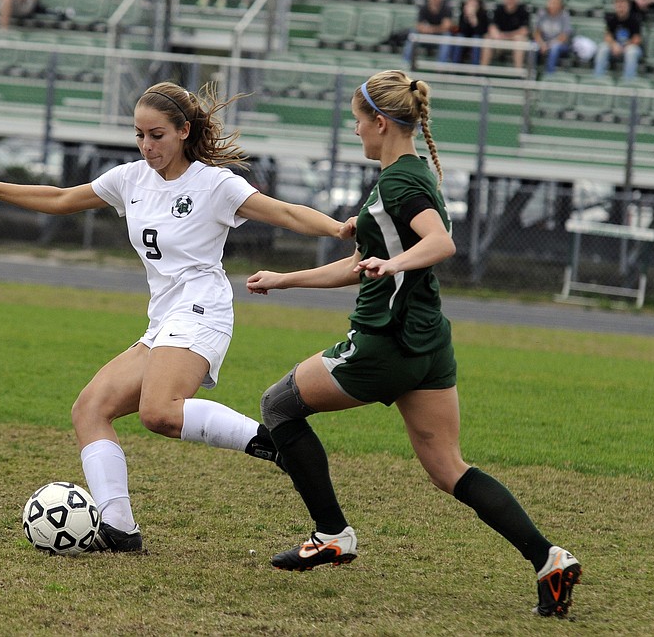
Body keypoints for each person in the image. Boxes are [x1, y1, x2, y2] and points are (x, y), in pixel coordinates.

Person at [0, 81, 354, 553]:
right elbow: (60, 199)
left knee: (159, 412)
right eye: (139, 135)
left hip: (202, 310)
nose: (147, 145)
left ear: (183, 131)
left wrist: (338, 228)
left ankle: (271, 443)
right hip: (163, 320)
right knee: (90, 410)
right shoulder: (129, 179)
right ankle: (119, 528)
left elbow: (285, 212)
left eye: (157, 135)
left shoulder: (214, 184)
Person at [245, 69, 582, 618]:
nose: (355, 130)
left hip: (385, 343)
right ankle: (550, 560)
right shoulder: (410, 173)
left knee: (278, 406)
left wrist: (394, 261)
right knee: (448, 468)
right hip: (428, 345)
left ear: (380, 123)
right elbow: (361, 265)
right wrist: (286, 279)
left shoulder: (398, 183)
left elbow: (441, 243)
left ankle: (332, 534)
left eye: (358, 121)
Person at [594, 0, 643, 81]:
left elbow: (637, 39)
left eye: (623, 2)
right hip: (615, 48)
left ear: (628, 5)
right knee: (602, 48)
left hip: (630, 47)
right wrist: (614, 45)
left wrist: (623, 46)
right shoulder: (612, 19)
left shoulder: (634, 19)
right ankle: (598, 79)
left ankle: (628, 81)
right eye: (617, 3)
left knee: (631, 52)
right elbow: (607, 36)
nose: (620, 5)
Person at [403, 0, 454, 66]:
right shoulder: (424, 8)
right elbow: (419, 26)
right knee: (413, 33)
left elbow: (446, 27)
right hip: (425, 35)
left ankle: (441, 66)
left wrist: (432, 29)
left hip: (439, 36)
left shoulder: (446, 9)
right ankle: (406, 64)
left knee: (447, 36)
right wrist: (428, 29)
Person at [481, 0, 530, 70]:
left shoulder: (522, 10)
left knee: (520, 40)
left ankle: (518, 73)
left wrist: (508, 36)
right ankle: (482, 71)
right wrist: (498, 35)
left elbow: (524, 30)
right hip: (499, 39)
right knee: (487, 38)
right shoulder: (498, 9)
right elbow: (492, 27)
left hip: (514, 39)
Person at [533, 0, 572, 75]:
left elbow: (564, 36)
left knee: (554, 48)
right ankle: (531, 73)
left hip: (560, 44)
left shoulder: (564, 15)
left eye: (555, 2)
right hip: (543, 42)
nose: (552, 4)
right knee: (532, 46)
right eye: (550, 1)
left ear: (560, 5)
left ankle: (549, 75)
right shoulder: (542, 13)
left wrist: (548, 45)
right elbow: (536, 33)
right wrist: (541, 44)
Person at [451, 0, 489, 65]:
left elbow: (480, 32)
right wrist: (466, 17)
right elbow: (460, 30)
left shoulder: (483, 14)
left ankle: (475, 67)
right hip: (464, 38)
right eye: (470, 1)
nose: (471, 3)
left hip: (477, 39)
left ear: (478, 4)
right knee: (460, 38)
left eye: (474, 1)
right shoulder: (462, 13)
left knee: (476, 39)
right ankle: (454, 65)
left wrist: (473, 18)